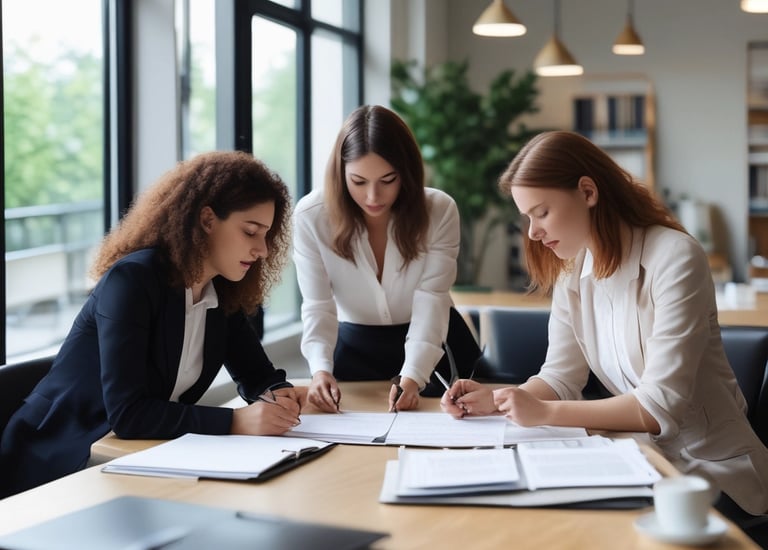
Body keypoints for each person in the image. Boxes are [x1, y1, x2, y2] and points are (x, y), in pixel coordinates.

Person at [441, 130, 768, 516]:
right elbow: (560, 379)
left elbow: (656, 408)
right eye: (527, 217)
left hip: (714, 473)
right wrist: (498, 400)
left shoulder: (676, 258)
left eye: (542, 212)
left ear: (588, 192)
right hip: (639, 459)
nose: (532, 232)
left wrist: (542, 412)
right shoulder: (573, 270)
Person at [0, 151, 306, 498]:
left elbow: (257, 377)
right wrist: (236, 421)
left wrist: (283, 396)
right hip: (62, 458)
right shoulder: (132, 280)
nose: (263, 249)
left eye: (266, 235)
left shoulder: (219, 292)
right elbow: (129, 414)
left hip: (134, 456)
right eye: (251, 231)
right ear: (207, 220)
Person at [293, 105, 480, 413]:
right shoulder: (311, 216)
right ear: (340, 174)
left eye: (388, 179)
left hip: (436, 343)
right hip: (354, 345)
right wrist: (320, 369)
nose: (373, 196)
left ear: (406, 173)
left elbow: (431, 299)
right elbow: (318, 305)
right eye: (359, 181)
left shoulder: (439, 210)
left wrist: (413, 376)